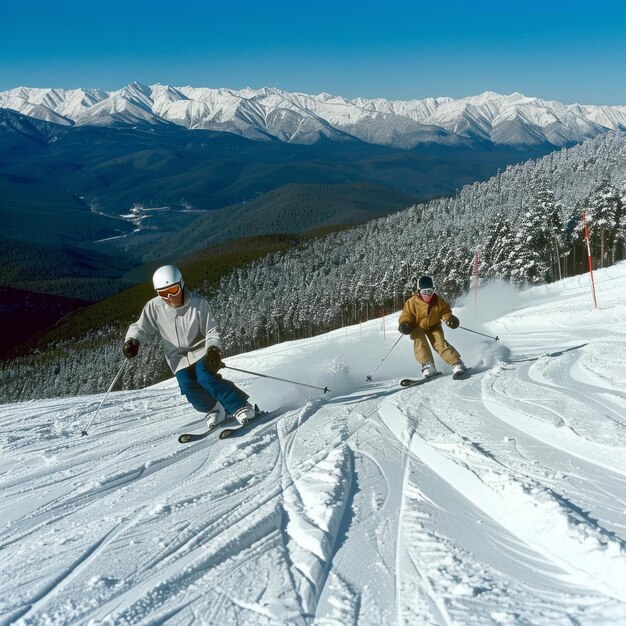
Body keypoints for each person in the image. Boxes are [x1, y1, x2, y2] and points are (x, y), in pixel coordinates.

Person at [123, 265, 256, 428]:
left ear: (181, 284)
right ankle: (214, 409)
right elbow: (140, 327)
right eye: (164, 293)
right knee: (187, 385)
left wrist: (213, 350)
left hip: (201, 351)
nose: (171, 296)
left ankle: (240, 406)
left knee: (206, 378)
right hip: (177, 358)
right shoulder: (155, 307)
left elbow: (211, 330)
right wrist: (133, 340)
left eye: (173, 290)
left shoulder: (198, 303)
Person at [398, 275, 467, 378]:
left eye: (430, 291)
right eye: (424, 292)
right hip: (417, 327)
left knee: (439, 342)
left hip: (434, 326)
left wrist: (449, 319)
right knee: (419, 339)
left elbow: (445, 312)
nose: (427, 295)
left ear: (434, 290)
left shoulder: (438, 301)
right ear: (418, 291)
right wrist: (404, 324)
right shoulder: (411, 302)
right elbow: (406, 315)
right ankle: (427, 365)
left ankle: (456, 363)